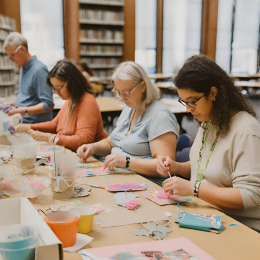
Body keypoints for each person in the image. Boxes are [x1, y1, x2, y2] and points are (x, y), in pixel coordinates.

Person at [157, 55, 260, 232]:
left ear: (213, 93)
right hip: (206, 216)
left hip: (239, 227)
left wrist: (193, 188)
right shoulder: (211, 119)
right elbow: (209, 167)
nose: (188, 109)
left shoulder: (246, 130)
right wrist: (178, 168)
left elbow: (250, 195)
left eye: (193, 101)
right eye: (184, 101)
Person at [77, 61, 179, 185]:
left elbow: (164, 167)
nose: (121, 98)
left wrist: (126, 161)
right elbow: (112, 142)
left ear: (143, 86)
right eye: (118, 92)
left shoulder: (160, 117)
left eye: (126, 93)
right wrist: (92, 147)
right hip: (122, 178)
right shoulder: (130, 108)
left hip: (147, 184)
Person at [16, 60, 108, 152]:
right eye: (54, 88)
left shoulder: (87, 102)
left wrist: (50, 138)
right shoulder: (70, 101)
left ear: (72, 83)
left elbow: (83, 141)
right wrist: (30, 127)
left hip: (94, 158)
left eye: (59, 88)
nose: (56, 92)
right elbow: (53, 125)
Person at [3, 32, 54, 123]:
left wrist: (21, 110)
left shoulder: (39, 70)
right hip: (22, 120)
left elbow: (48, 105)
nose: (11, 60)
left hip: (34, 125)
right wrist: (13, 106)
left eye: (12, 55)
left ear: (22, 49)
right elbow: (27, 97)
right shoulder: (23, 67)